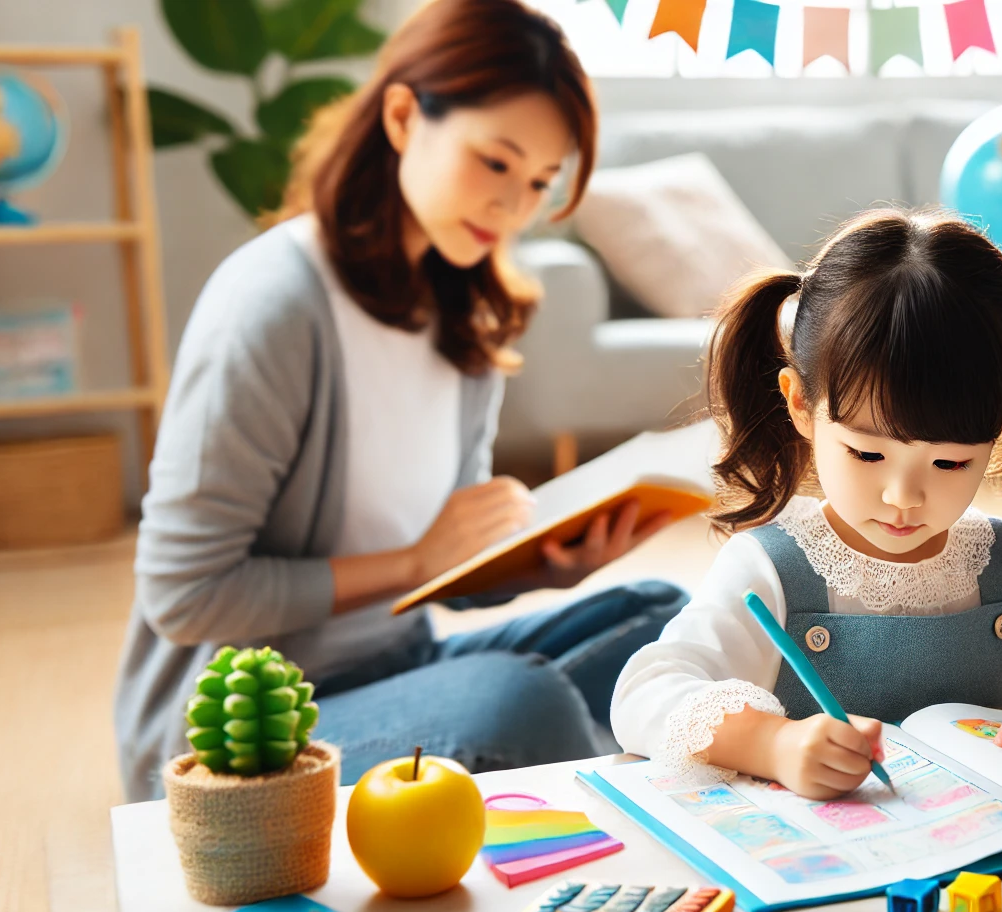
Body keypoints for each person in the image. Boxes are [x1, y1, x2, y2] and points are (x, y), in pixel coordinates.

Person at [115, 0, 685, 801]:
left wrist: (546, 565)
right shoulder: (275, 303)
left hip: (398, 667)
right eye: (494, 162)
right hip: (254, 722)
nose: (511, 207)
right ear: (402, 115)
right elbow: (185, 594)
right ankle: (618, 792)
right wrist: (414, 563)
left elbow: (438, 573)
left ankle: (591, 771)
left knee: (668, 620)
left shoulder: (467, 313)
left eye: (537, 183)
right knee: (522, 703)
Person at [610, 210, 1002, 799]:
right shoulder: (771, 566)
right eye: (867, 456)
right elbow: (645, 692)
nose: (903, 498)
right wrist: (774, 745)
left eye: (949, 463)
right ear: (800, 405)